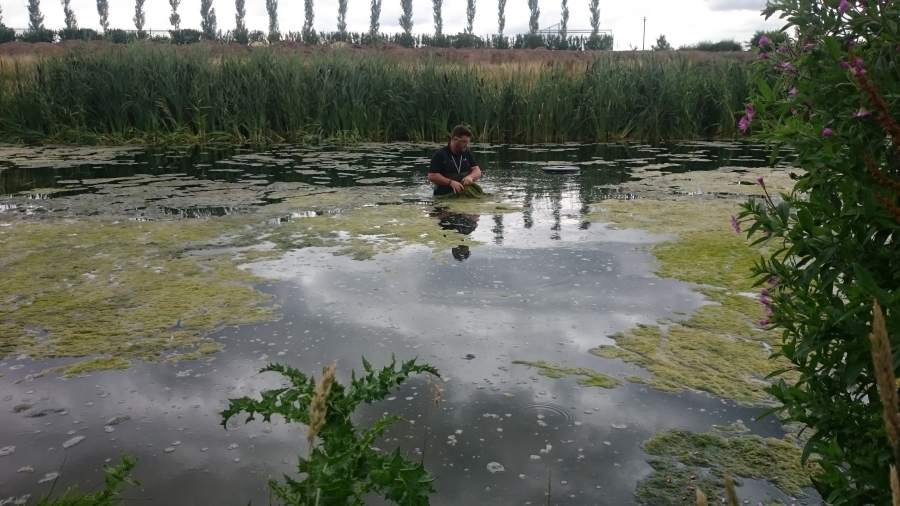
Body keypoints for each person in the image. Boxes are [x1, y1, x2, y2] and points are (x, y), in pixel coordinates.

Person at [428, 125, 482, 196]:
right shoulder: (440, 154)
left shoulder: (467, 153)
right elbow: (432, 176)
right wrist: (450, 182)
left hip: (464, 195)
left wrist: (470, 177)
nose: (466, 145)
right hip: (444, 196)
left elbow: (477, 170)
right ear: (455, 139)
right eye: (464, 142)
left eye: (468, 142)